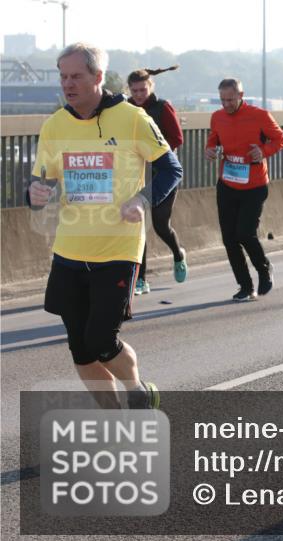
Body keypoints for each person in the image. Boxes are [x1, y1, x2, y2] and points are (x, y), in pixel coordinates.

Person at [29, 43, 182, 409]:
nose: (68, 84)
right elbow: (42, 182)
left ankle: (136, 389)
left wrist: (142, 200)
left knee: (101, 340)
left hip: (117, 250)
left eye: (76, 76)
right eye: (63, 76)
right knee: (80, 350)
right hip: (69, 251)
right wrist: (35, 192)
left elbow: (170, 169)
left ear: (98, 77)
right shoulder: (55, 125)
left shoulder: (132, 118)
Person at [205, 78, 283, 301]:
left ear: (241, 96)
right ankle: (245, 286)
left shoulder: (259, 115)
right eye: (222, 100)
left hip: (254, 185)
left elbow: (280, 139)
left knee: (244, 233)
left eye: (230, 100)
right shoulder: (217, 117)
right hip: (227, 184)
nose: (226, 104)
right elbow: (213, 140)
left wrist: (263, 151)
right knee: (229, 238)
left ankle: (264, 268)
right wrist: (210, 150)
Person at [127, 66, 187, 295]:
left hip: (163, 175)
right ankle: (140, 279)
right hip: (136, 175)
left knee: (161, 225)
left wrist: (154, 153)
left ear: (150, 87)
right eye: (134, 91)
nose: (138, 95)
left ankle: (178, 254)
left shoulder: (163, 107)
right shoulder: (127, 108)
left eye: (142, 90)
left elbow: (177, 138)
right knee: (138, 225)